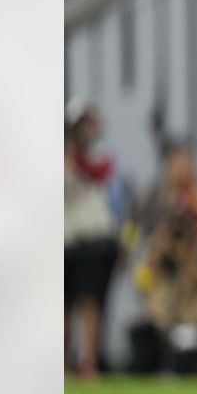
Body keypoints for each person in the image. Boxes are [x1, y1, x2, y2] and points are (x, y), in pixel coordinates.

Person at [65, 101, 120, 378]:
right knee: (62, 306)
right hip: (65, 240)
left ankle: (88, 363)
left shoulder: (99, 154)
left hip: (95, 242)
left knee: (90, 303)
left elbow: (98, 172)